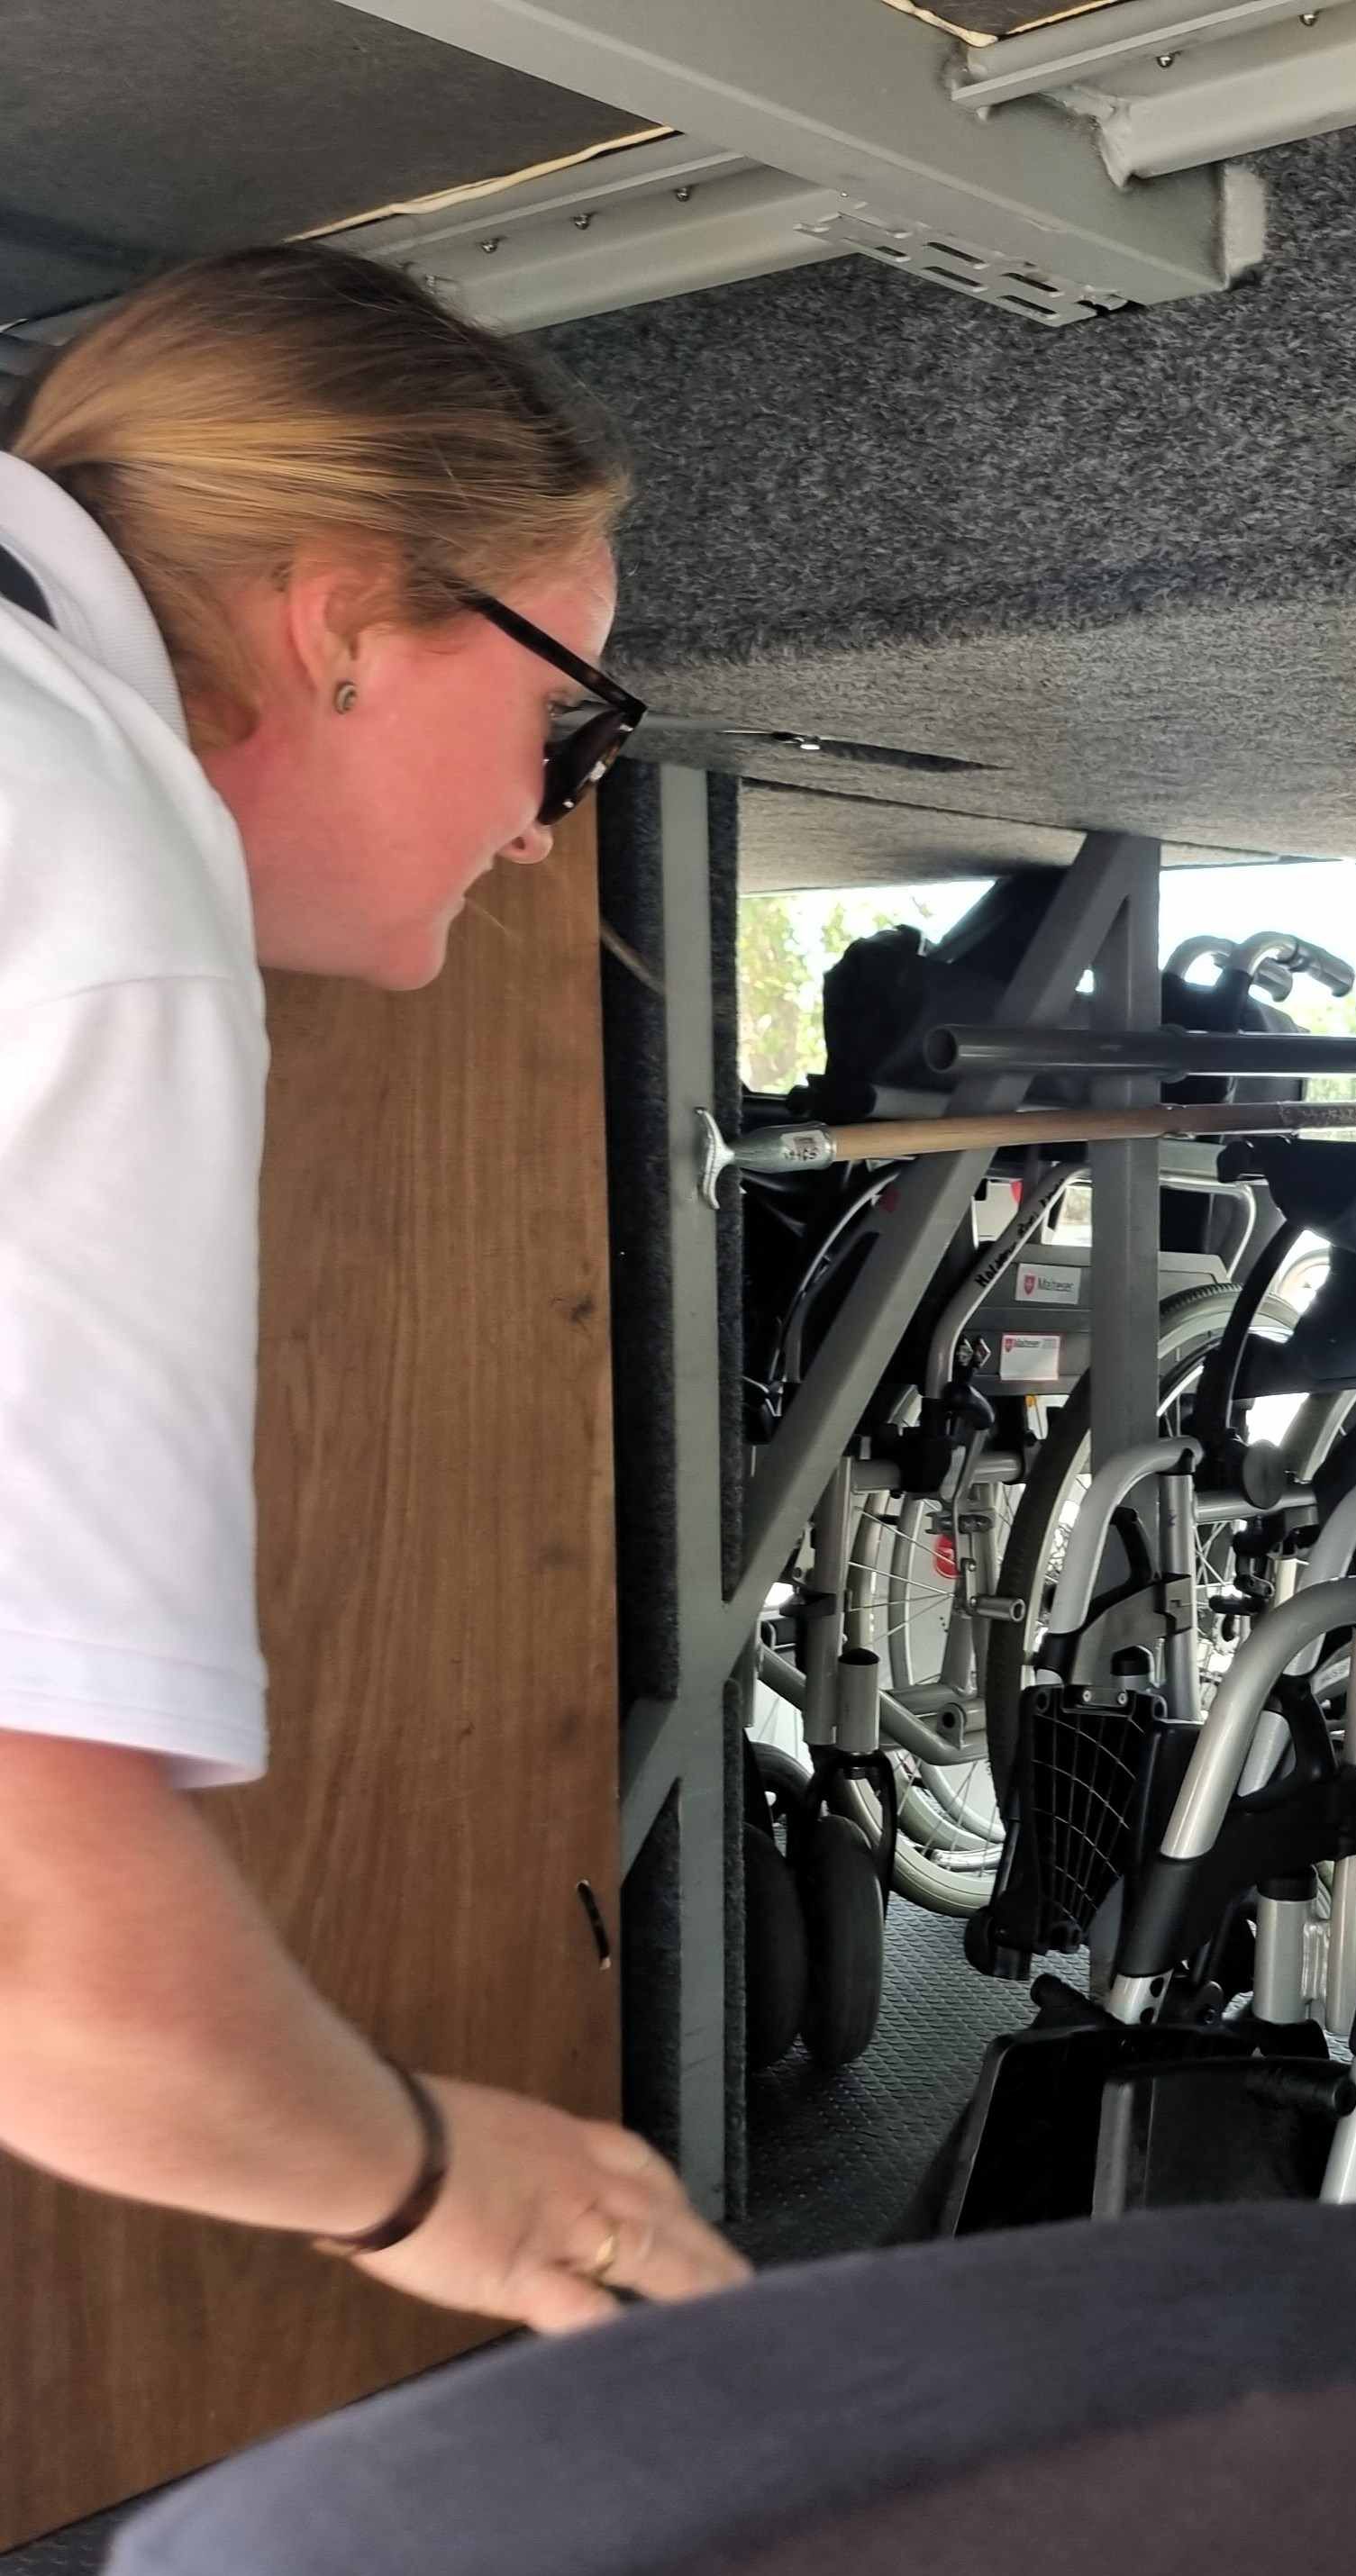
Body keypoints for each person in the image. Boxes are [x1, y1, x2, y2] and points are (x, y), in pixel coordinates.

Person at [0, 248, 746, 2330]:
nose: (538, 829)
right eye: (561, 722)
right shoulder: (79, 871)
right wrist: (447, 2186)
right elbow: (45, 1969)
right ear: (341, 624)